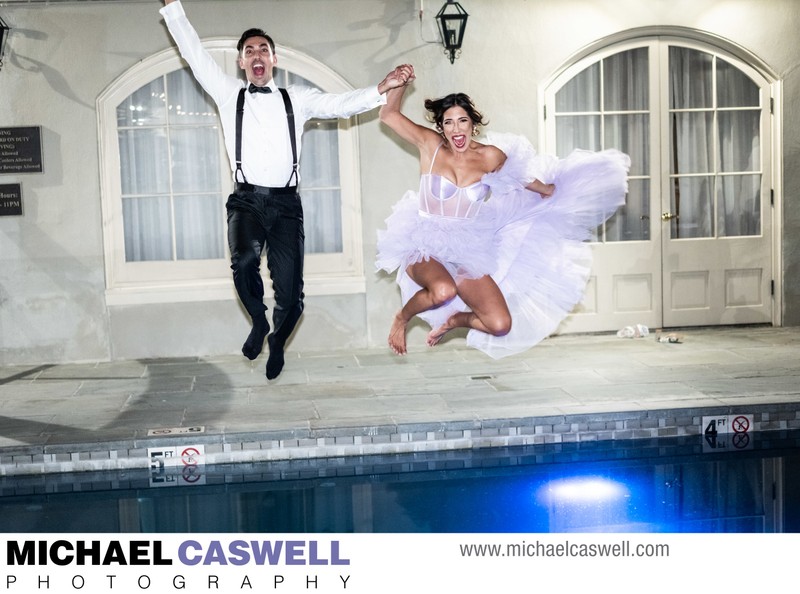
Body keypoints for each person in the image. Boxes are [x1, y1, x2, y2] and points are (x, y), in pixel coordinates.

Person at [159, 0, 413, 379]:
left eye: (263, 49)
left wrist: (383, 87)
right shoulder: (229, 94)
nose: (257, 55)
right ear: (241, 63)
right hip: (245, 200)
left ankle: (277, 339)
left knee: (293, 297)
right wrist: (173, 8)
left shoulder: (297, 99)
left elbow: (340, 104)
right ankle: (259, 323)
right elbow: (193, 52)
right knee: (244, 261)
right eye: (249, 51)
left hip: (286, 205)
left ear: (274, 59)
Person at [376, 73, 630, 359]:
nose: (456, 129)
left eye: (462, 121)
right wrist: (399, 85)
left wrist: (547, 190)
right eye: (448, 122)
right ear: (441, 127)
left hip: (465, 247)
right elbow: (388, 114)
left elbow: (519, 178)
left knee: (499, 324)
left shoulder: (490, 157)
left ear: (473, 123)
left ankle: (454, 321)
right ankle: (402, 318)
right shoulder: (430, 146)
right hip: (423, 241)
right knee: (443, 290)